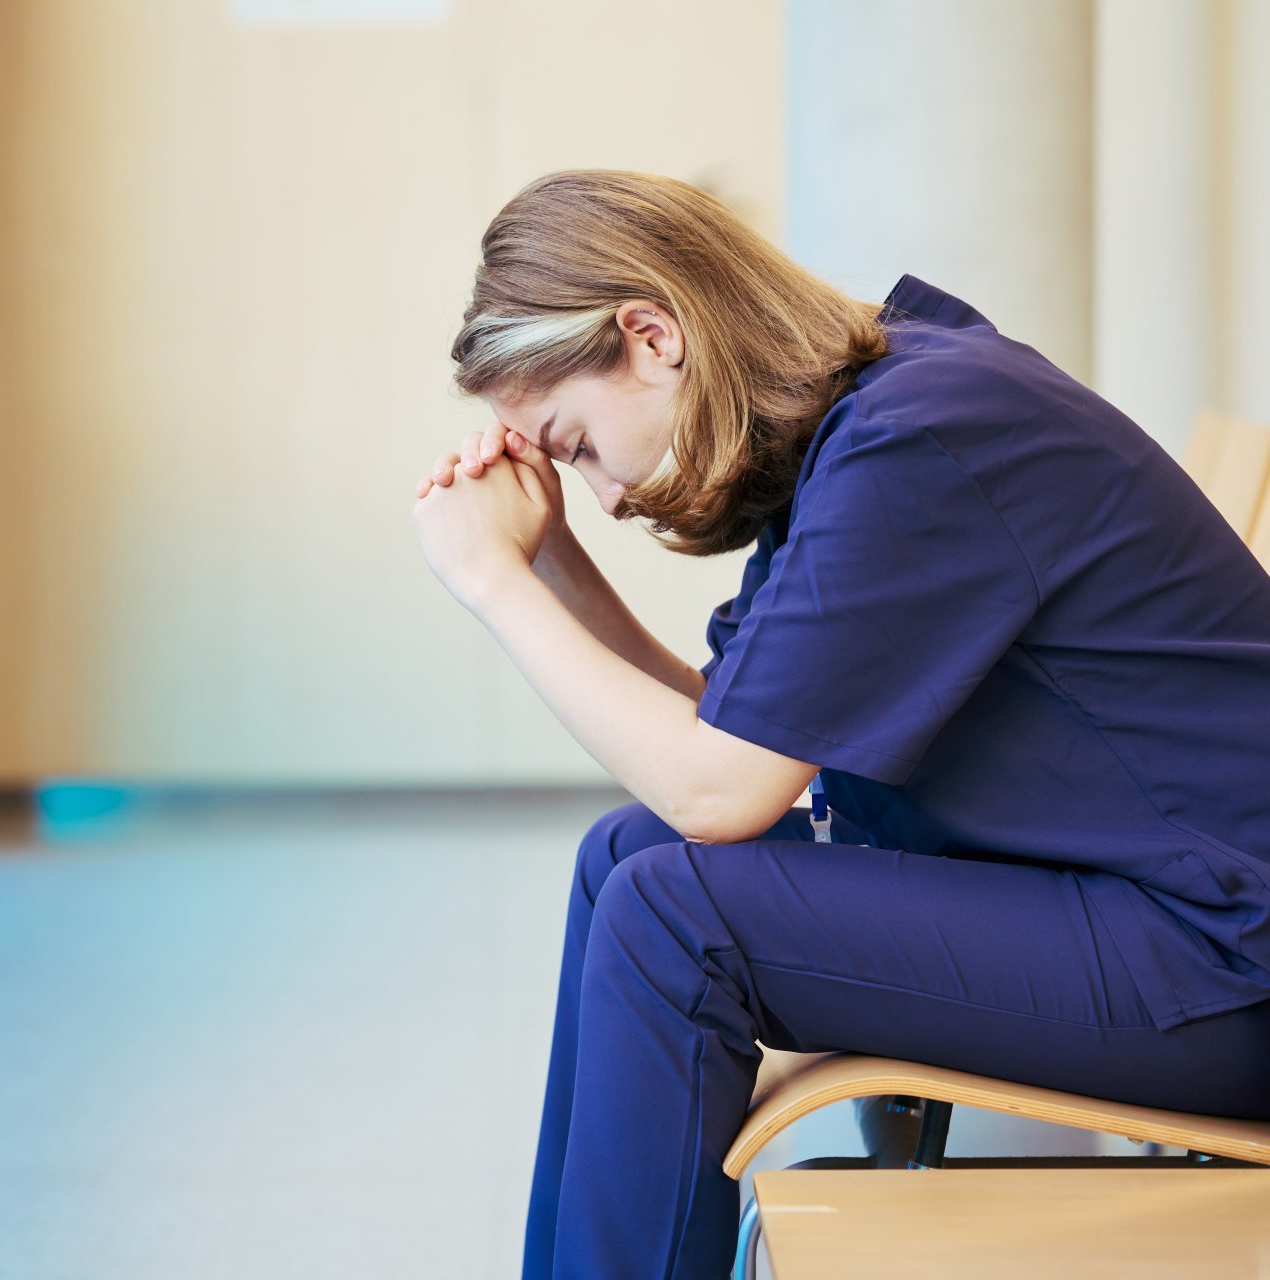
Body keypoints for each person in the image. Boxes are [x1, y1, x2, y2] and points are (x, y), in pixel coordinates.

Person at [409, 169, 1270, 1280]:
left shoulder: (922, 444)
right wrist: (552, 567)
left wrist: (495, 587)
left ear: (651, 334)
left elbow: (722, 791)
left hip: (1225, 957)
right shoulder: (874, 414)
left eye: (574, 443)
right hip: (1163, 916)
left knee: (678, 915)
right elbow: (729, 734)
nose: (605, 495)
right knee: (626, 854)